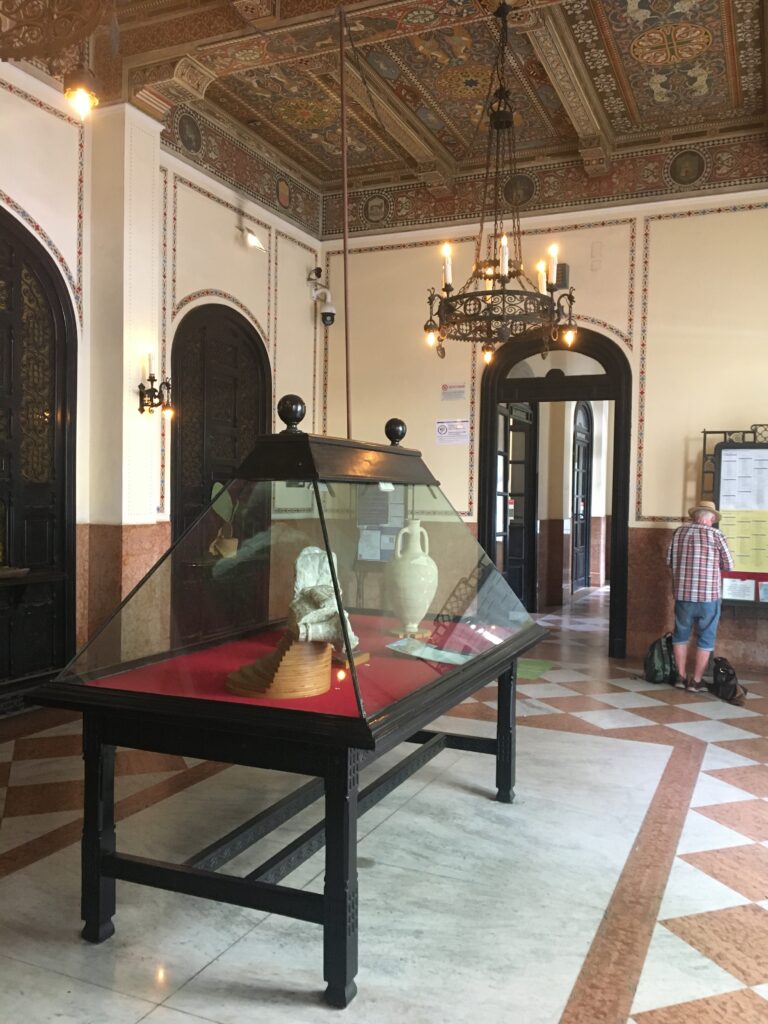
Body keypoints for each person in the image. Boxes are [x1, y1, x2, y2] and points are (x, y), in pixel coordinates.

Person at [667, 499, 733, 692]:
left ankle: (680, 677)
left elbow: (668, 561)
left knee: (680, 634)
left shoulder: (679, 533)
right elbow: (729, 565)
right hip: (708, 597)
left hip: (683, 595)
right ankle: (696, 681)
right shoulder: (716, 535)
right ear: (710, 519)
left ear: (695, 517)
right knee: (706, 637)